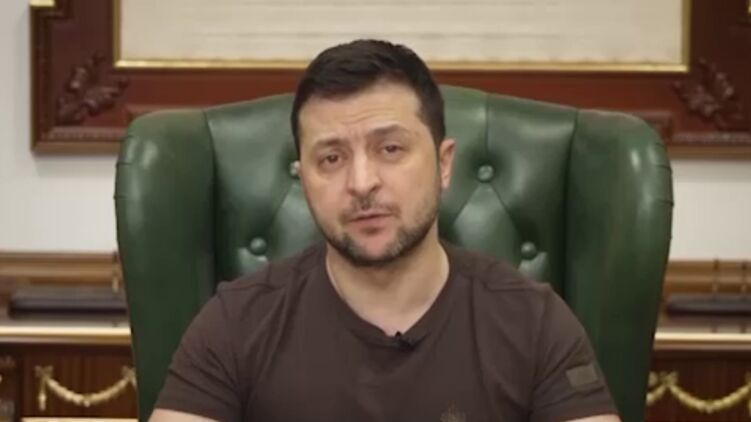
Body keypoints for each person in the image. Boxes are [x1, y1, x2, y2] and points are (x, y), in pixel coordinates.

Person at [149, 39, 621, 422]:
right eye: (331, 158)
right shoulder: (234, 324)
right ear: (302, 177)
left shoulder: (535, 323)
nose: (361, 183)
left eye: (390, 149)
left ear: (444, 164)